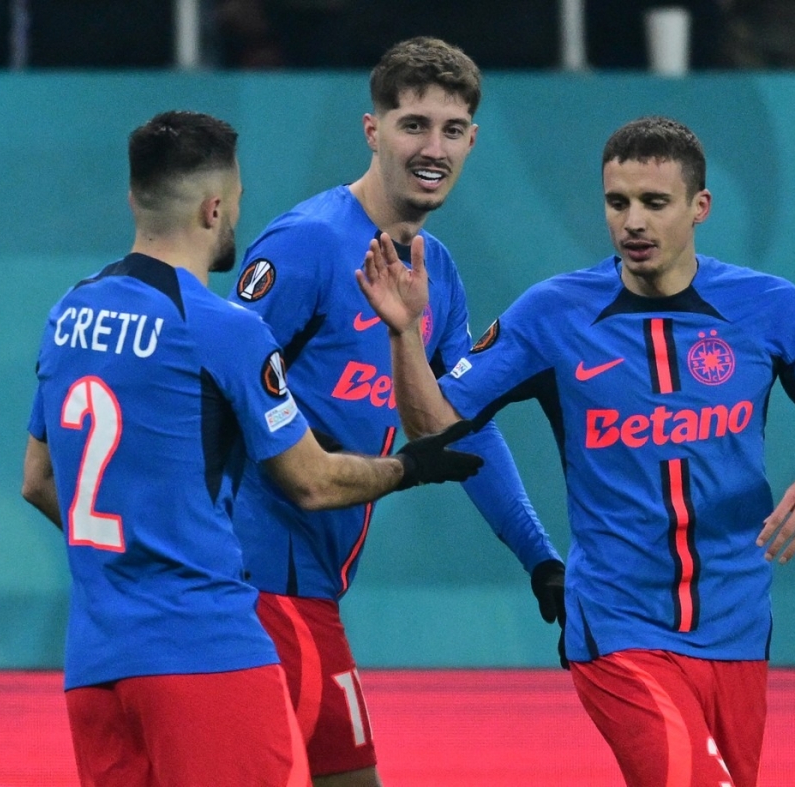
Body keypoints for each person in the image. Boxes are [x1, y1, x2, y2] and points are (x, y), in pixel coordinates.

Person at [358, 115, 795, 787]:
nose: (633, 222)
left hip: (738, 626)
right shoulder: (553, 313)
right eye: (618, 202)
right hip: (619, 626)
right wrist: (405, 334)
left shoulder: (770, 307)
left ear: (700, 207)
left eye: (654, 202)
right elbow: (433, 423)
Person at [19, 109, 483, 787]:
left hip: (95, 665)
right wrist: (411, 467)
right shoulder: (222, 327)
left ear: (134, 198)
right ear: (214, 209)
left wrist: (137, 549)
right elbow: (312, 482)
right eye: (236, 200)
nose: (237, 214)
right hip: (205, 651)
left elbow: (38, 480)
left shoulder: (71, 313)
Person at [226, 36, 564, 787]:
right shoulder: (310, 244)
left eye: (451, 130)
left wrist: (540, 558)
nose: (432, 148)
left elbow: (458, 431)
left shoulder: (434, 269)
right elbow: (212, 392)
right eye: (413, 124)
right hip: (250, 584)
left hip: (311, 585)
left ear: (473, 141)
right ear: (372, 130)